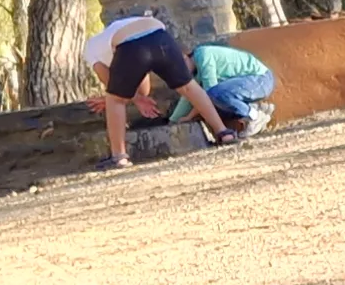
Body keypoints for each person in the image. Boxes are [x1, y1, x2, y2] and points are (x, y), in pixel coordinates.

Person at [80, 13, 239, 168]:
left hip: (131, 44)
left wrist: (126, 98)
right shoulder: (113, 36)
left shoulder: (91, 49)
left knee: (115, 100)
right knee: (188, 86)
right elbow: (143, 85)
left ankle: (119, 157)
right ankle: (224, 133)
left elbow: (109, 84)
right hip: (161, 36)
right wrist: (139, 98)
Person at [134, 39, 278, 138]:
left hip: (260, 79)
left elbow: (207, 96)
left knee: (216, 95)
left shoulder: (203, 55)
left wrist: (189, 117)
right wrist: (173, 121)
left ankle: (255, 116)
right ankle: (258, 109)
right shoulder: (196, 70)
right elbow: (189, 97)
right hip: (251, 85)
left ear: (184, 57)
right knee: (219, 105)